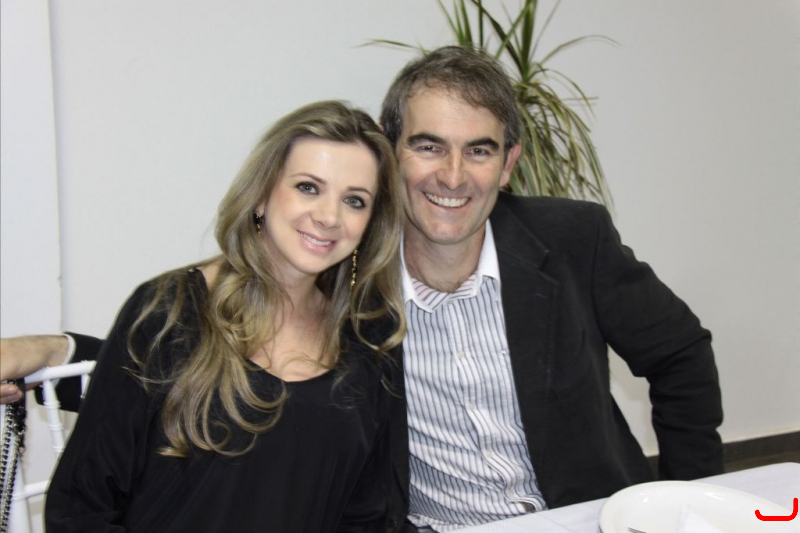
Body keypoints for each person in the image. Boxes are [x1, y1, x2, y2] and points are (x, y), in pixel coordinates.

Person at [1, 47, 722, 532]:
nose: (452, 176)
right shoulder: (350, 278)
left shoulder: (571, 241)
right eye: (428, 145)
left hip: (584, 518)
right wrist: (54, 349)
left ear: (508, 165)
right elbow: (210, 353)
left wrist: (690, 500)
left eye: (478, 151)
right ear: (391, 151)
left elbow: (682, 355)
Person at [32, 100, 407, 532]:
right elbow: (80, 508)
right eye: (308, 187)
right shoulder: (168, 311)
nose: (328, 217)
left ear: (370, 223)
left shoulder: (370, 340)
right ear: (261, 196)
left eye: (355, 201)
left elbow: (371, 516)